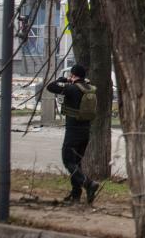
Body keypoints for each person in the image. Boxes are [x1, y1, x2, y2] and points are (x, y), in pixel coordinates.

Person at [46, 64, 100, 204]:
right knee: (77, 164)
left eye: (71, 75)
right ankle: (76, 195)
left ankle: (88, 184)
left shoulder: (71, 88)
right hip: (86, 131)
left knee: (68, 160)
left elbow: (50, 87)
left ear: (73, 75)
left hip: (73, 131)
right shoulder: (90, 88)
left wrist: (63, 79)